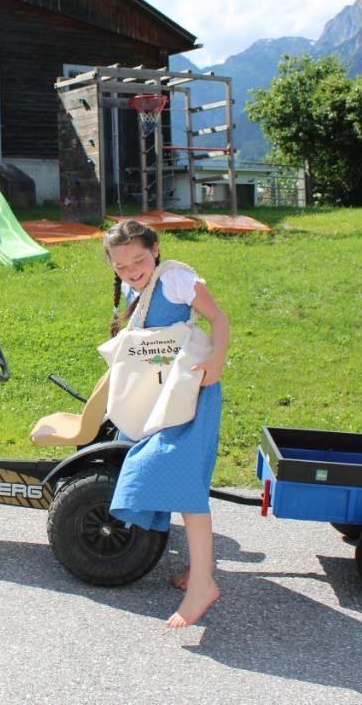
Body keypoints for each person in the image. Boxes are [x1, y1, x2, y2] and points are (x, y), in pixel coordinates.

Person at [102, 219, 230, 628]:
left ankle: (203, 587)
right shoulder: (134, 289)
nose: (131, 271)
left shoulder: (174, 277)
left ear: (154, 250)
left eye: (138, 260)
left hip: (190, 392)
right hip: (162, 396)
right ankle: (200, 570)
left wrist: (217, 360)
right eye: (121, 267)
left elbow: (219, 319)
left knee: (182, 483)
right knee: (174, 481)